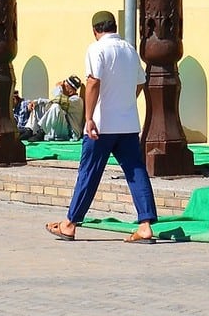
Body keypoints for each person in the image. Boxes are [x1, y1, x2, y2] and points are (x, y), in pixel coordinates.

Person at [45, 12, 156, 243]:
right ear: (114, 27)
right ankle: (145, 225)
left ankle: (70, 223)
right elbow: (139, 84)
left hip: (101, 124)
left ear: (95, 30)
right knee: (136, 172)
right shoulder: (130, 50)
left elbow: (93, 82)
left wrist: (89, 117)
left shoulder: (96, 49)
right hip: (127, 124)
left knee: (89, 173)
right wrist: (124, 103)